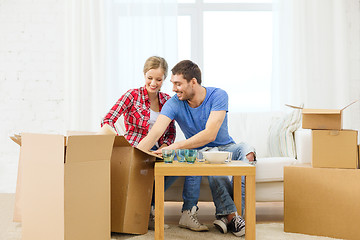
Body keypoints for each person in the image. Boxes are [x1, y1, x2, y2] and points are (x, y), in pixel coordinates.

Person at [137, 59, 256, 237]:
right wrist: (134, 156)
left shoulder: (218, 95)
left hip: (227, 147)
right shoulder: (174, 103)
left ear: (193, 82)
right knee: (210, 155)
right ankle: (232, 217)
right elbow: (154, 134)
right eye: (172, 84)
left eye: (178, 84)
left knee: (248, 150)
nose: (174, 89)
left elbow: (210, 134)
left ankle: (230, 216)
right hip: (202, 152)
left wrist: (175, 146)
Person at [100, 56, 208, 231]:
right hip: (136, 149)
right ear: (144, 75)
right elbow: (108, 120)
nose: (153, 83)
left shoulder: (167, 100)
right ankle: (145, 212)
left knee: (184, 162)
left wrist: (165, 146)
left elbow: (171, 131)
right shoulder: (132, 95)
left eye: (158, 79)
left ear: (164, 79)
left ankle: (167, 211)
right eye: (150, 78)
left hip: (157, 152)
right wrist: (120, 142)